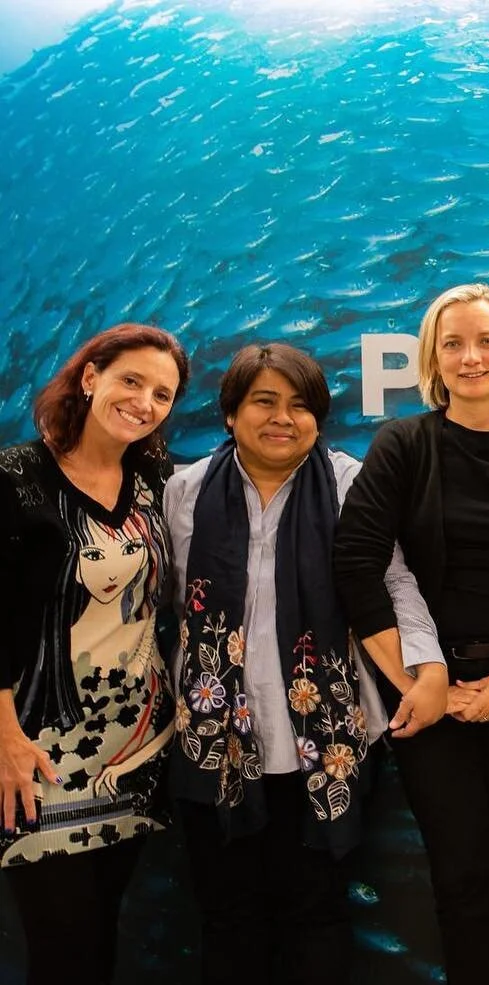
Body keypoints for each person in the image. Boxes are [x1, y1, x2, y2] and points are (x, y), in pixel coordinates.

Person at [166, 343, 443, 984]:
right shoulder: (184, 493)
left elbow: (393, 584)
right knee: (225, 917)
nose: (282, 418)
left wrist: (424, 669)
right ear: (231, 413)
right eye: (264, 401)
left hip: (325, 741)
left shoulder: (348, 483)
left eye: (300, 405)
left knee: (316, 914)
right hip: (214, 741)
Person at [333, 284, 489, 985]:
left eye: (486, 340)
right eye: (454, 343)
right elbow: (354, 560)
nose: (471, 357)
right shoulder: (404, 442)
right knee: (461, 872)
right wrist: (418, 683)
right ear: (434, 356)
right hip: (426, 699)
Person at [0, 323, 189, 984]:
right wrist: (5, 739)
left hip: (135, 746)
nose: (145, 401)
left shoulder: (155, 479)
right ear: (90, 377)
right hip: (36, 748)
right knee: (63, 951)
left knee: (102, 935)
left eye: (162, 393)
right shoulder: (15, 476)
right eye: (131, 380)